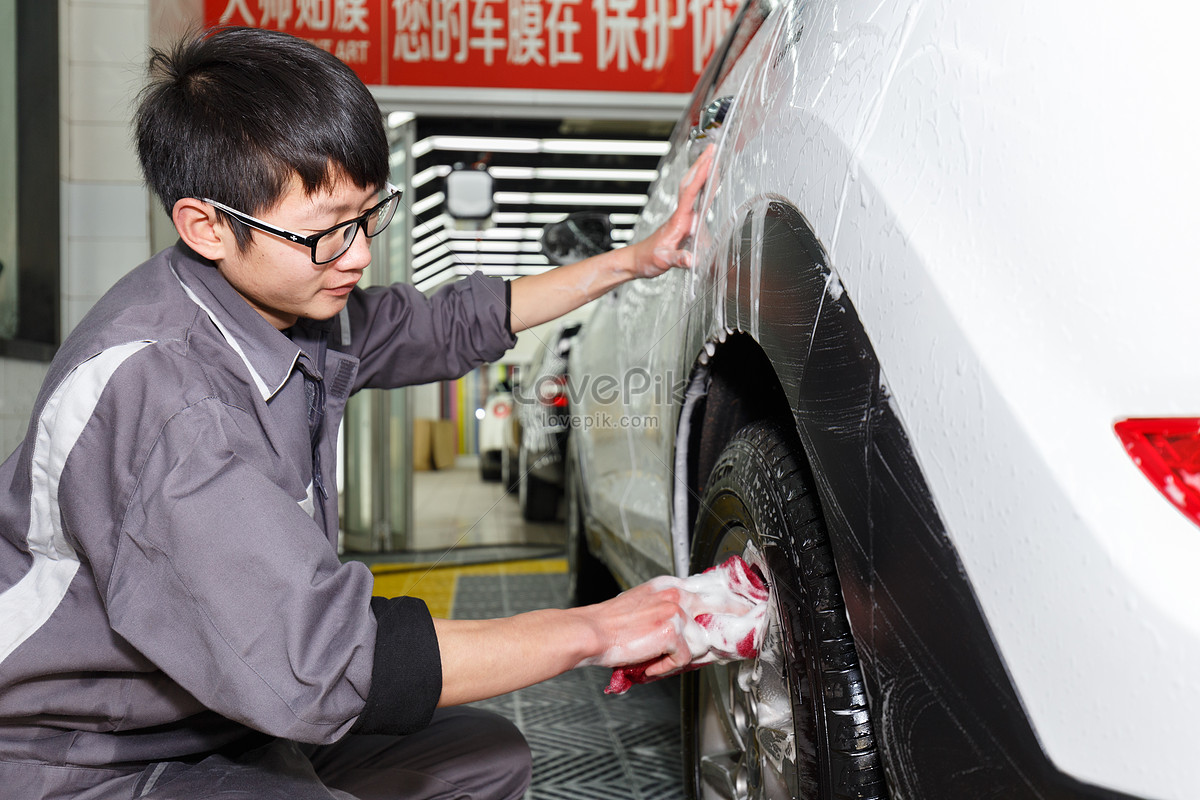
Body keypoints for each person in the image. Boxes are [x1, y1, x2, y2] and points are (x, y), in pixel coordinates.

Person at [0, 25, 719, 800]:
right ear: (205, 225)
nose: (359, 255)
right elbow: (324, 660)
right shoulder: (167, 399)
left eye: (368, 215)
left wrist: (637, 259)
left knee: (483, 758)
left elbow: (446, 326)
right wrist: (601, 630)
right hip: (83, 753)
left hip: (219, 709)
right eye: (325, 231)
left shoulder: (284, 304)